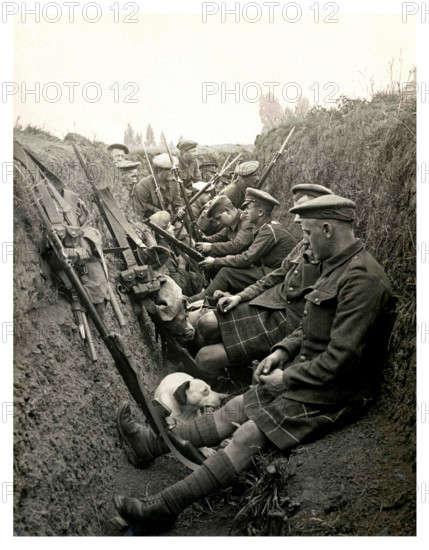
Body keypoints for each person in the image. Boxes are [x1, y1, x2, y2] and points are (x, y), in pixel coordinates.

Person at [112, 194, 394, 534]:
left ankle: (165, 508)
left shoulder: (362, 279)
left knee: (247, 434)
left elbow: (342, 359)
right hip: (310, 371)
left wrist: (286, 378)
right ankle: (151, 445)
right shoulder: (336, 264)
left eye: (308, 232)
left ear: (327, 228)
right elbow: (309, 325)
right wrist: (281, 352)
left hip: (335, 390)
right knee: (235, 407)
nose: (305, 241)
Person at [193, 184, 333, 380]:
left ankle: (232, 373)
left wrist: (216, 260)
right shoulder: (303, 243)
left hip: (286, 318)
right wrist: (240, 296)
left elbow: (248, 257)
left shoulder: (331, 258)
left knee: (205, 351)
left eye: (303, 214)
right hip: (273, 299)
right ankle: (232, 369)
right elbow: (279, 274)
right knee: (206, 324)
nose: (296, 219)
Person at [189, 188, 295, 301]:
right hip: (272, 271)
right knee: (227, 267)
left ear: (260, 212)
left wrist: (216, 261)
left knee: (227, 272)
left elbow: (247, 258)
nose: (244, 212)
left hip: (278, 276)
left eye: (248, 208)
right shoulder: (264, 227)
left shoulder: (269, 230)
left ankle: (197, 300)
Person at [132, 153, 185, 221]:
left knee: (183, 231)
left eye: (174, 169)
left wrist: (180, 210)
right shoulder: (143, 186)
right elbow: (139, 215)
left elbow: (177, 204)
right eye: (169, 169)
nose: (173, 172)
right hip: (151, 223)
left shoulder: (173, 183)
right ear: (159, 171)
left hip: (171, 219)